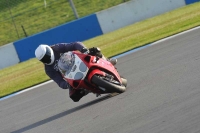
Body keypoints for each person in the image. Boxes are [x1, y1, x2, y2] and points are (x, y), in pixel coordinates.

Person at [35, 42, 117, 102]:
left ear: (49, 50)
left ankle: (107, 61)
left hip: (79, 61)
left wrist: (83, 49)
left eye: (47, 55)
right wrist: (67, 84)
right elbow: (59, 82)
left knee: (94, 50)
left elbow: (74, 44)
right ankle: (89, 89)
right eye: (44, 58)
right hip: (71, 76)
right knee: (74, 96)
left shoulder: (57, 48)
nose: (47, 58)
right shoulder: (49, 70)